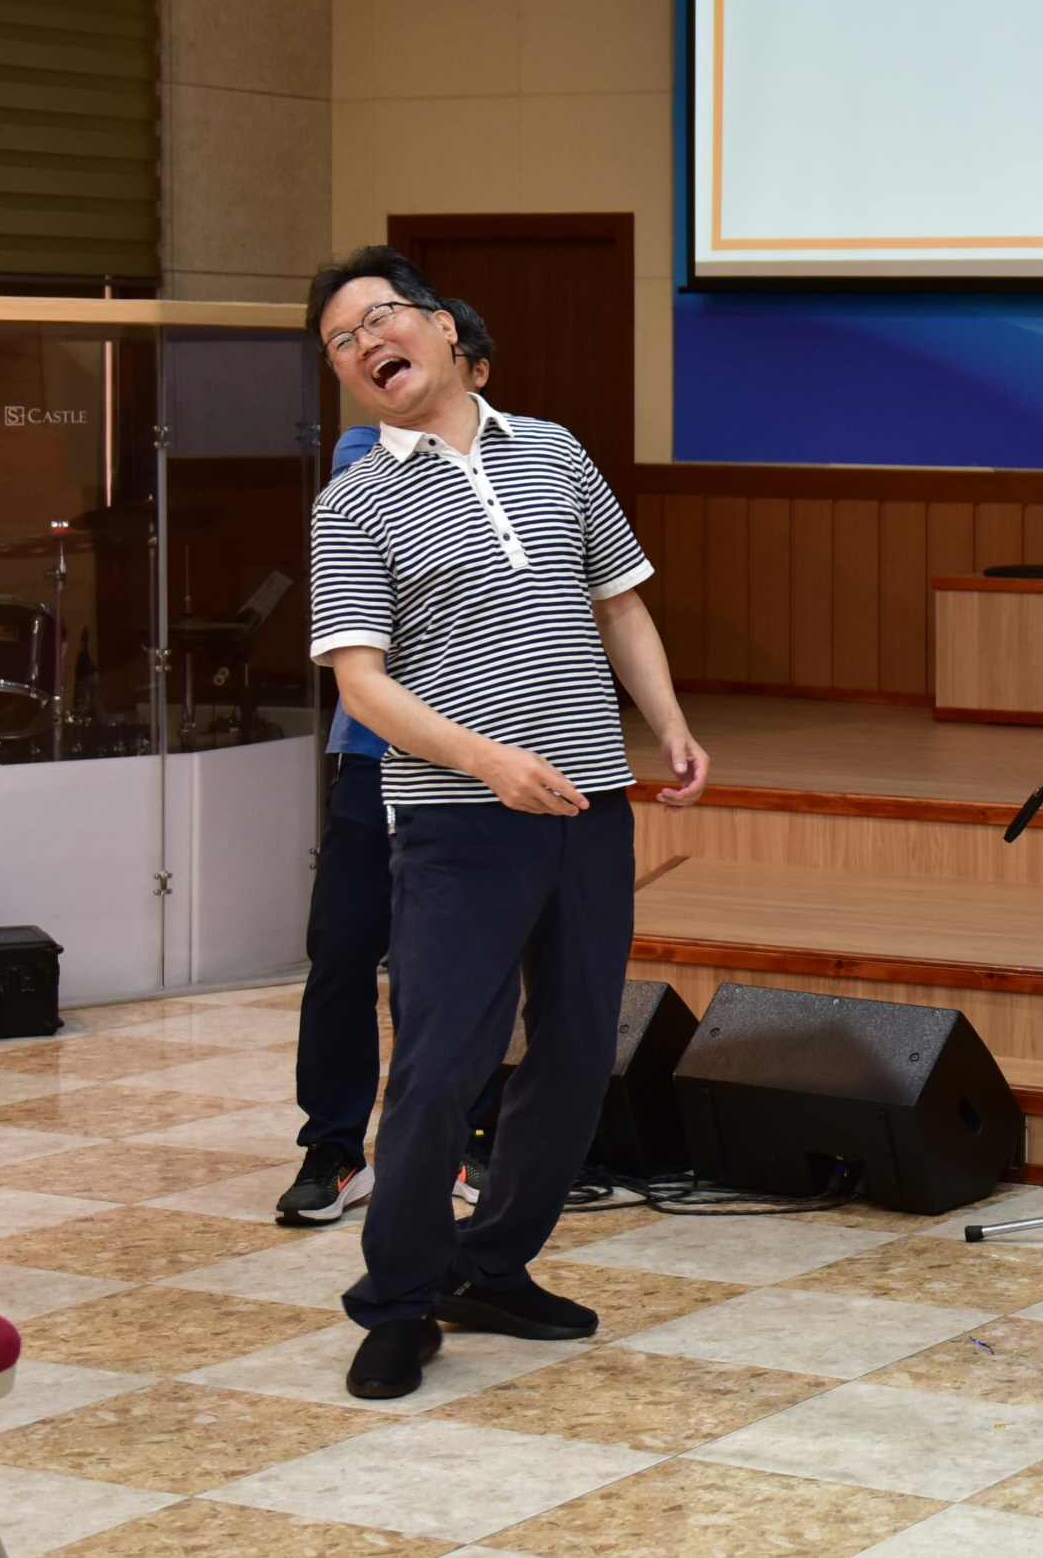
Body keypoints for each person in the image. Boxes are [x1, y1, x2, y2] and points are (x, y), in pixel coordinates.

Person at [306, 245, 710, 1399]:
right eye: (341, 341)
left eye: (379, 318)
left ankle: (492, 1265)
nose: (364, 344)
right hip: (454, 820)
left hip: (589, 805)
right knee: (441, 1067)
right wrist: (486, 759)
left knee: (577, 1055)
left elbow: (618, 602)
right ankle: (396, 1300)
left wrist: (668, 721)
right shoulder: (352, 501)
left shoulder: (555, 450)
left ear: (441, 328)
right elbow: (362, 682)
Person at [277, 297, 494, 1228]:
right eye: (351, 341)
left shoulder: (525, 463)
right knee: (341, 949)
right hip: (373, 755)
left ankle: (462, 1138)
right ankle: (333, 1147)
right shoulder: (361, 458)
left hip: (472, 760)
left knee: (446, 963)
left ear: (473, 370)